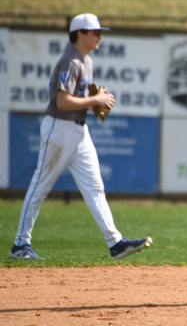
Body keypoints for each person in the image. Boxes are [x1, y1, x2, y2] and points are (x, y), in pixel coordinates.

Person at [10, 13, 153, 260]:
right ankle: (20, 244)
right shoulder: (71, 62)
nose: (99, 37)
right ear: (80, 34)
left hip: (79, 130)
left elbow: (76, 100)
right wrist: (95, 99)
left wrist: (93, 104)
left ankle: (115, 242)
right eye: (95, 32)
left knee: (95, 187)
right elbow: (62, 102)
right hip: (59, 127)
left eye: (100, 32)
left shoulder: (86, 61)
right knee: (40, 185)